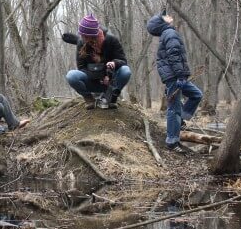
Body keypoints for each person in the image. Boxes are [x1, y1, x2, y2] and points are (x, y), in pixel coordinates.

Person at [146, 12, 203, 153]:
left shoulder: (168, 33)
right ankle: (172, 141)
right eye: (165, 17)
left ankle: (181, 121)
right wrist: (180, 75)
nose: (169, 16)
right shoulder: (170, 33)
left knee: (196, 95)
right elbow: (174, 55)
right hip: (174, 77)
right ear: (162, 23)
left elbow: (174, 55)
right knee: (173, 108)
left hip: (176, 75)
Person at [65, 13, 132, 109]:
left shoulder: (111, 40)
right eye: (82, 35)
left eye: (85, 36)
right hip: (92, 81)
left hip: (111, 82)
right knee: (71, 75)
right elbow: (81, 68)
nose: (82, 37)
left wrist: (113, 64)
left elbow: (123, 61)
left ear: (92, 35)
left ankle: (110, 98)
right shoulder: (81, 43)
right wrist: (100, 76)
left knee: (126, 71)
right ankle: (89, 99)